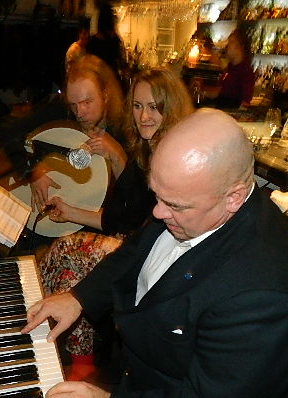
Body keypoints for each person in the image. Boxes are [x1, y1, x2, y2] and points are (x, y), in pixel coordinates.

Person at [24, 108, 288, 398]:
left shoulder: (265, 297)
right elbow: (137, 251)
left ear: (233, 197)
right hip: (147, 389)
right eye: (157, 196)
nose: (158, 212)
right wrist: (79, 297)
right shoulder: (188, 204)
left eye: (174, 205)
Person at [38, 67, 194, 369]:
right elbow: (122, 216)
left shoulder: (170, 155)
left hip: (158, 254)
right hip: (135, 241)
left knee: (69, 261)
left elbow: (140, 225)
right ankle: (37, 321)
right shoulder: (146, 146)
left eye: (154, 107)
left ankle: (76, 359)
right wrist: (70, 211)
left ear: (171, 108)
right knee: (64, 252)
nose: (143, 116)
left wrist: (116, 155)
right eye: (137, 106)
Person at [29, 54, 126, 215]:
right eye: (73, 105)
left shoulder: (125, 130)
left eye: (87, 102)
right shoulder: (60, 114)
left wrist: (116, 154)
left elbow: (132, 199)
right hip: (59, 210)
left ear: (105, 96)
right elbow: (15, 136)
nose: (79, 113)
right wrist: (34, 172)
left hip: (101, 217)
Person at [206, 29, 255, 109]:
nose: (227, 46)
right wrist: (202, 92)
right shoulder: (230, 68)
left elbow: (245, 103)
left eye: (231, 42)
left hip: (230, 115)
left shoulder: (245, 72)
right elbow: (220, 91)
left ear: (239, 47)